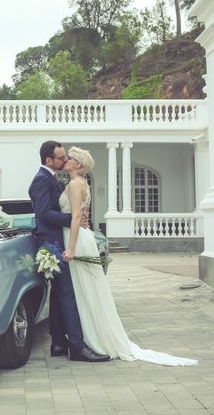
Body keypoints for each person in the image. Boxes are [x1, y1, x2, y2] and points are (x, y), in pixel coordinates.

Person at [60, 146, 198, 366]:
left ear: (77, 164)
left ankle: (93, 339)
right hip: (83, 237)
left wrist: (71, 248)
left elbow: (76, 216)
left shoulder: (75, 184)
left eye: (69, 158)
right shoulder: (82, 183)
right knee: (88, 291)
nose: (64, 160)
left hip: (76, 239)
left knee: (86, 291)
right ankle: (90, 336)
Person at [28, 141, 110, 362]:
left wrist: (75, 219)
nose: (64, 160)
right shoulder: (41, 181)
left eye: (66, 157)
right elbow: (44, 213)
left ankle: (58, 343)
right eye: (60, 157)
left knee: (59, 294)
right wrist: (73, 219)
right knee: (66, 294)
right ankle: (77, 346)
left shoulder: (54, 178)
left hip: (62, 240)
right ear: (48, 160)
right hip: (53, 243)